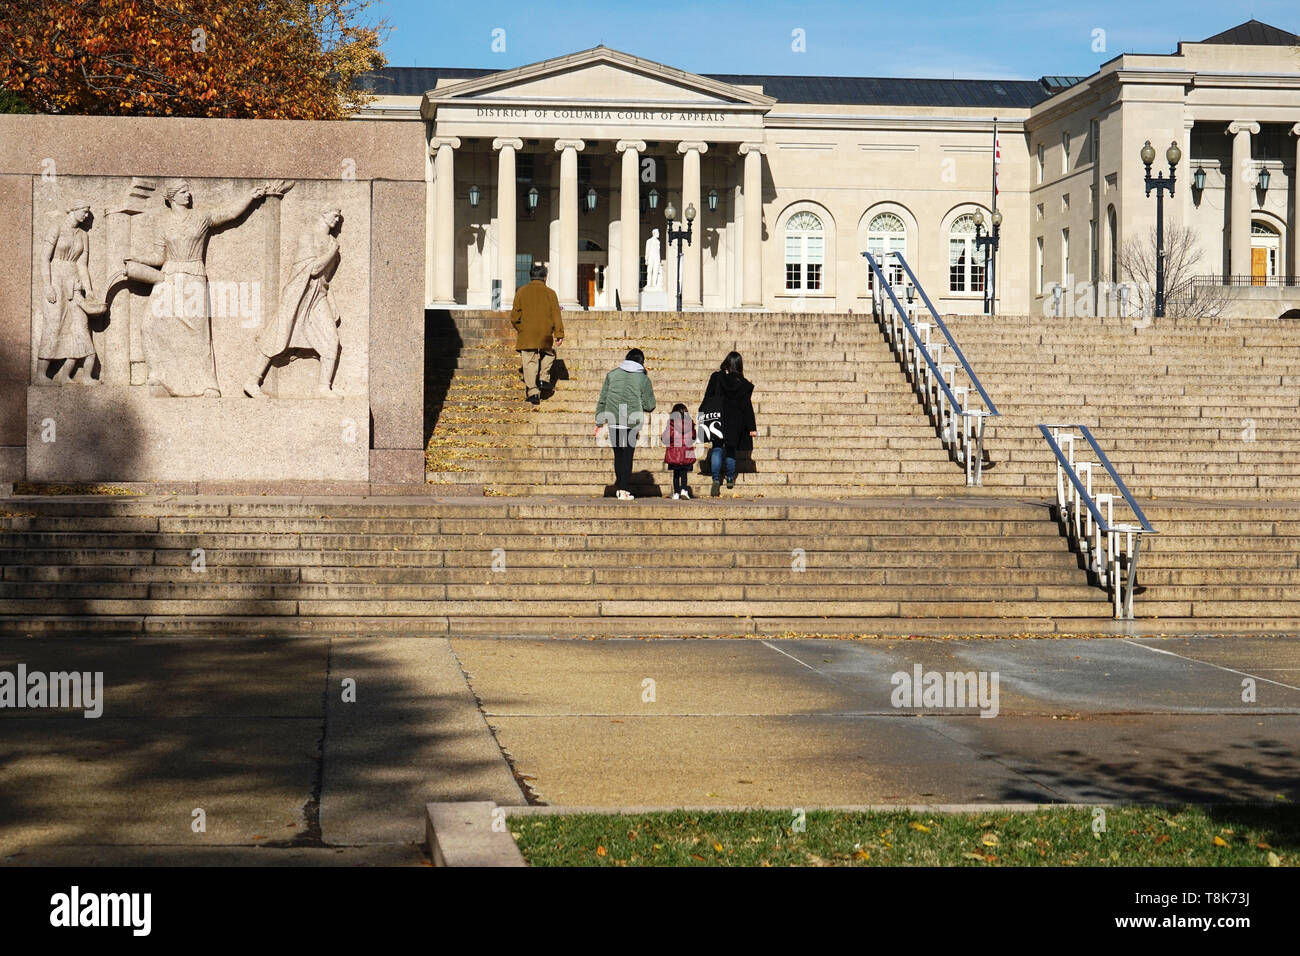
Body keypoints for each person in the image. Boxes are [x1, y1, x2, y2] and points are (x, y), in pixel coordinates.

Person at [594, 348, 656, 500]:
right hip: (631, 422)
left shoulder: (612, 374)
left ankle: (620, 487)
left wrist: (599, 421)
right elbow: (650, 405)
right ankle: (623, 488)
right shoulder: (643, 379)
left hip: (613, 419)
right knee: (628, 455)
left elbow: (603, 398)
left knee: (619, 455)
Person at [702, 351, 757, 496]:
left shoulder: (717, 377)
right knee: (731, 449)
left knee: (717, 448)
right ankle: (730, 477)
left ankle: (715, 479)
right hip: (735, 420)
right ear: (739, 365)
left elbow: (708, 397)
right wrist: (752, 427)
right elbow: (747, 406)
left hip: (718, 418)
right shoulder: (744, 384)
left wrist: (702, 414)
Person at [510, 263, 564, 405]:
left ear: (530, 277)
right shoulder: (551, 293)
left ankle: (533, 392)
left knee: (529, 360)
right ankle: (543, 378)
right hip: (545, 332)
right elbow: (556, 315)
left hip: (526, 333)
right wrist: (559, 333)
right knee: (549, 354)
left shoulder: (521, 291)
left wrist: (520, 328)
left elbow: (514, 316)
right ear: (545, 278)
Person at [661, 402, 696, 500]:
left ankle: (676, 492)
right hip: (686, 452)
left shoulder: (671, 424)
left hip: (674, 453)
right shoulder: (690, 424)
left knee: (676, 474)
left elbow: (666, 437)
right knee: (684, 473)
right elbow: (693, 437)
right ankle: (684, 489)